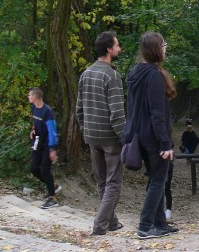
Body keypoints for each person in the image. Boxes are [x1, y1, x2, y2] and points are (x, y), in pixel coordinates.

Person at [123, 32, 178, 240]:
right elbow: (157, 113)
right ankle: (145, 226)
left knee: (157, 178)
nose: (166, 48)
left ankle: (160, 224)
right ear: (156, 48)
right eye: (163, 44)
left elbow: (133, 109)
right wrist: (165, 143)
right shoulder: (153, 76)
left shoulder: (136, 73)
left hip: (138, 135)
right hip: (153, 137)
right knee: (158, 180)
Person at [76, 30, 126, 236]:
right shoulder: (112, 75)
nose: (119, 48)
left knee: (103, 182)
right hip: (110, 138)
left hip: (91, 137)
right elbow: (117, 113)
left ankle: (112, 222)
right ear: (108, 49)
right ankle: (100, 225)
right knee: (113, 184)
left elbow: (79, 109)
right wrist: (125, 138)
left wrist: (85, 131)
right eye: (117, 45)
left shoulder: (85, 74)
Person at [28, 87, 60, 209]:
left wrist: (52, 149)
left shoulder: (48, 111)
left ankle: (53, 199)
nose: (28, 97)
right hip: (38, 142)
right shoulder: (34, 108)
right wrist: (33, 130)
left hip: (47, 144)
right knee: (33, 168)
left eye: (30, 95)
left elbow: (52, 131)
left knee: (45, 170)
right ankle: (53, 187)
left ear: (35, 97)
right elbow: (36, 123)